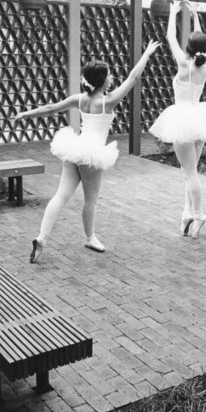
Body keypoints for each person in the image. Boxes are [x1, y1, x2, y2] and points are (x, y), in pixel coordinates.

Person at [15, 40, 160, 263]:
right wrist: (147, 54)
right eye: (110, 75)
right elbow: (133, 77)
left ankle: (42, 237)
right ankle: (90, 237)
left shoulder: (80, 99)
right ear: (102, 80)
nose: (112, 78)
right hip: (92, 154)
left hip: (74, 148)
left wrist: (25, 114)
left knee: (61, 195)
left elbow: (50, 109)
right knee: (90, 200)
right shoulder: (108, 101)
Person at [149, 0, 206, 238]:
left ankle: (199, 212)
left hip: (182, 118)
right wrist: (195, 15)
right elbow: (200, 40)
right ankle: (187, 214)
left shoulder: (184, 63)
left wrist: (173, 12)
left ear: (190, 47)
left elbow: (170, 36)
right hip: (199, 118)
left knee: (190, 173)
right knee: (189, 170)